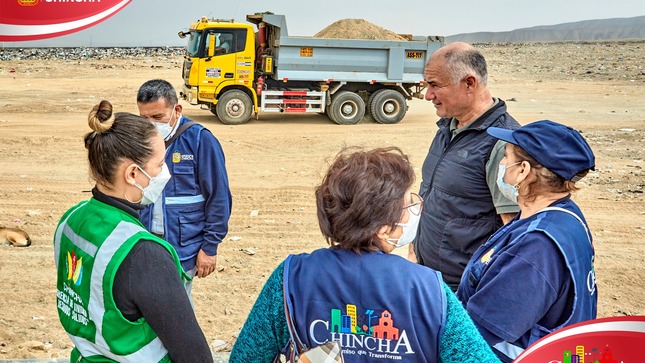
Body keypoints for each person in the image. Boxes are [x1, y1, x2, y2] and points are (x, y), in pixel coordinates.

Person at [230, 147, 502, 363]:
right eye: (409, 204)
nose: (416, 210)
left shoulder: (290, 278)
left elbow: (247, 357)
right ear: (384, 228)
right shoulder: (430, 290)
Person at [53, 100, 213, 362]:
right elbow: (192, 353)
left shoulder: (71, 220)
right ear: (133, 174)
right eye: (159, 165)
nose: (165, 173)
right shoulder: (143, 254)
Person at [456, 120, 597, 362]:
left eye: (506, 156)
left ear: (523, 170)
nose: (501, 163)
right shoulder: (563, 214)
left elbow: (476, 335)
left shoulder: (535, 247)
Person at [411, 42, 521, 291]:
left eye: (435, 85)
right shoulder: (448, 128)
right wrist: (415, 250)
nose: (427, 95)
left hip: (464, 289)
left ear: (469, 83)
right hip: (430, 278)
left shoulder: (505, 144)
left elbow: (515, 232)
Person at [137, 79, 232, 297]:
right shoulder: (140, 141)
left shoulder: (200, 140)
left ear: (176, 110)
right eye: (144, 118)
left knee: (176, 309)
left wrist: (209, 247)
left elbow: (219, 198)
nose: (151, 124)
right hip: (146, 243)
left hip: (183, 247)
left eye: (157, 117)